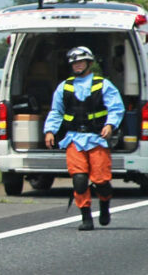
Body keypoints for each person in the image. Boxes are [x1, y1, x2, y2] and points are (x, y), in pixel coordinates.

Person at [43, 45, 123, 230]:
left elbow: (116, 108)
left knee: (101, 180)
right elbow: (56, 111)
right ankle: (86, 217)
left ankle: (104, 206)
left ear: (89, 62)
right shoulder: (64, 87)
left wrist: (110, 125)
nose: (77, 65)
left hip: (97, 138)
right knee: (79, 179)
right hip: (73, 139)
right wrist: (50, 131)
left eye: (81, 62)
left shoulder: (103, 84)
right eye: (74, 63)